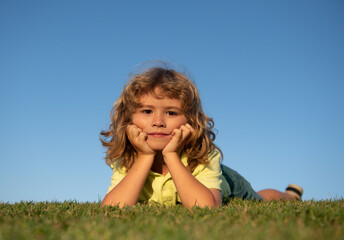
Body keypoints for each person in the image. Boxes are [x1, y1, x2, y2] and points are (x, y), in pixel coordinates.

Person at [100, 65, 303, 208]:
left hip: (227, 183)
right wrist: (144, 157)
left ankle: (290, 195)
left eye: (171, 113)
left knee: (259, 199)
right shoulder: (127, 157)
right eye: (147, 112)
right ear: (129, 118)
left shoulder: (204, 154)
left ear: (189, 120)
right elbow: (112, 209)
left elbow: (206, 207)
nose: (158, 121)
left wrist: (171, 155)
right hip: (141, 157)